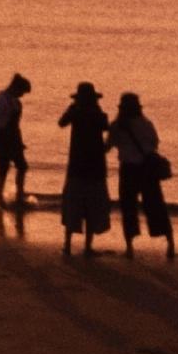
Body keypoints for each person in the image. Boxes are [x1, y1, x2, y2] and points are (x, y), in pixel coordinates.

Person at [108, 91, 175, 256]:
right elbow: (154, 143)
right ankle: (170, 242)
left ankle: (130, 247)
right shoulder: (146, 123)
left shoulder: (117, 126)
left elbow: (108, 145)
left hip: (128, 169)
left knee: (128, 207)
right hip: (147, 169)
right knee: (156, 206)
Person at [57, 82, 112, 257]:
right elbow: (107, 127)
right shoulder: (97, 114)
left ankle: (67, 245)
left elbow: (61, 122)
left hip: (76, 165)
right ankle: (87, 247)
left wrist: (72, 107)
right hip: (95, 167)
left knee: (73, 205)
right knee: (92, 207)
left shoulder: (75, 112)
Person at [0, 69, 32, 208]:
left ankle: (19, 196)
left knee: (22, 166)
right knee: (3, 167)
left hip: (13, 137)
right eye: (22, 92)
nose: (22, 95)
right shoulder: (1, 99)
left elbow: (16, 125)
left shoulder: (16, 102)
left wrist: (20, 142)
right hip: (0, 137)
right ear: (15, 87)